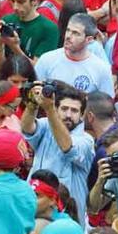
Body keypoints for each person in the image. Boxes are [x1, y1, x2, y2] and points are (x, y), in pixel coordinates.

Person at [22, 82, 95, 223]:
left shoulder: (87, 141)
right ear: (57, 108)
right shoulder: (45, 124)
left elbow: (67, 147)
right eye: (64, 109)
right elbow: (27, 128)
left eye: (74, 111)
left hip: (67, 215)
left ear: (81, 115)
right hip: (35, 207)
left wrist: (50, 110)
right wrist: (32, 104)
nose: (68, 115)